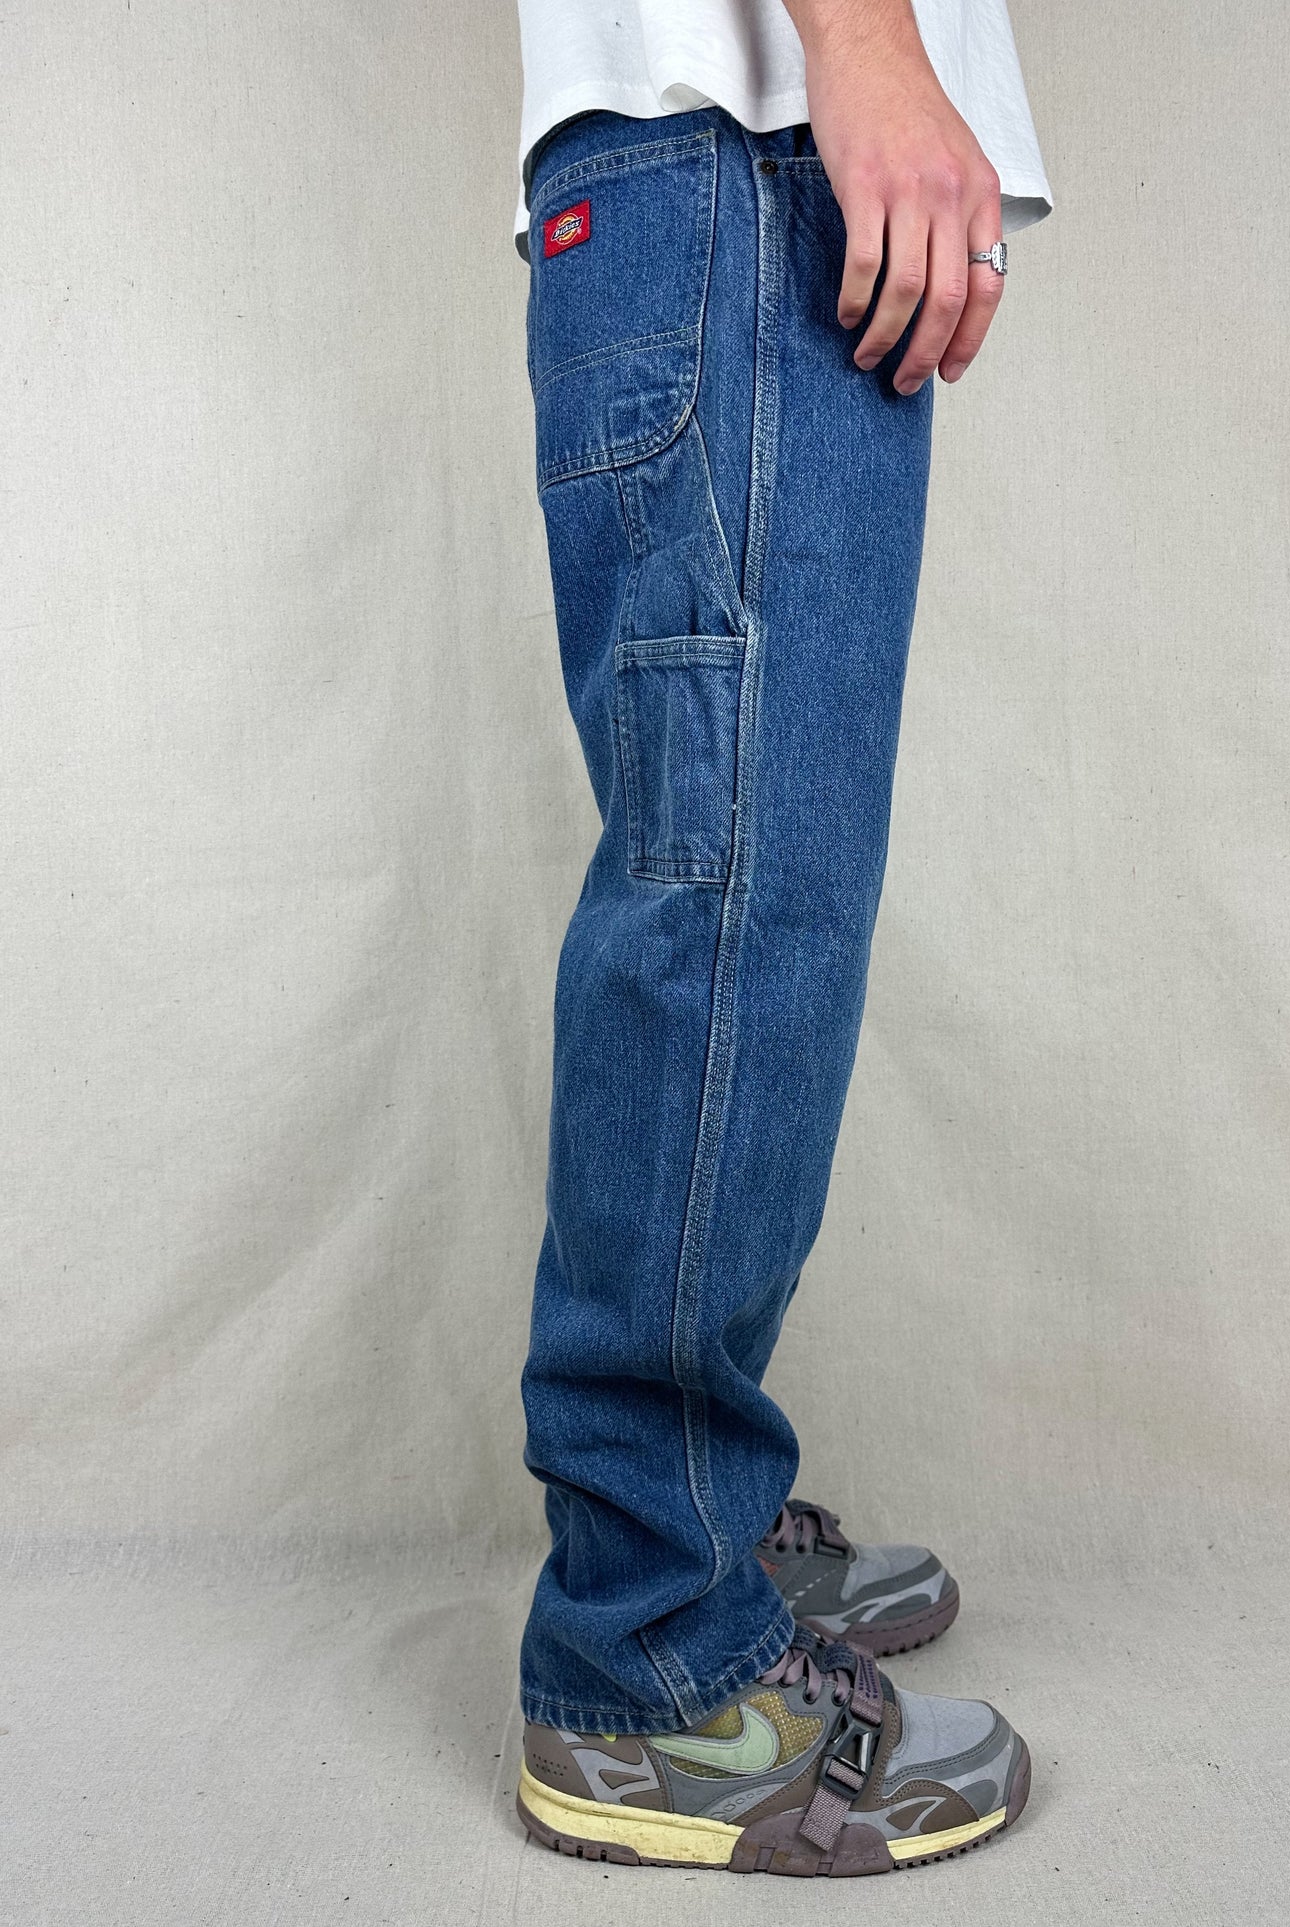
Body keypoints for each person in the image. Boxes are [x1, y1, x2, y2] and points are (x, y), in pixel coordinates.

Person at [509, 0, 1053, 1879]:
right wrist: (867, 45)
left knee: (749, 883)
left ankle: (687, 1523)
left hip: (718, 185)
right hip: (738, 159)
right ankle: (644, 1657)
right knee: (731, 896)